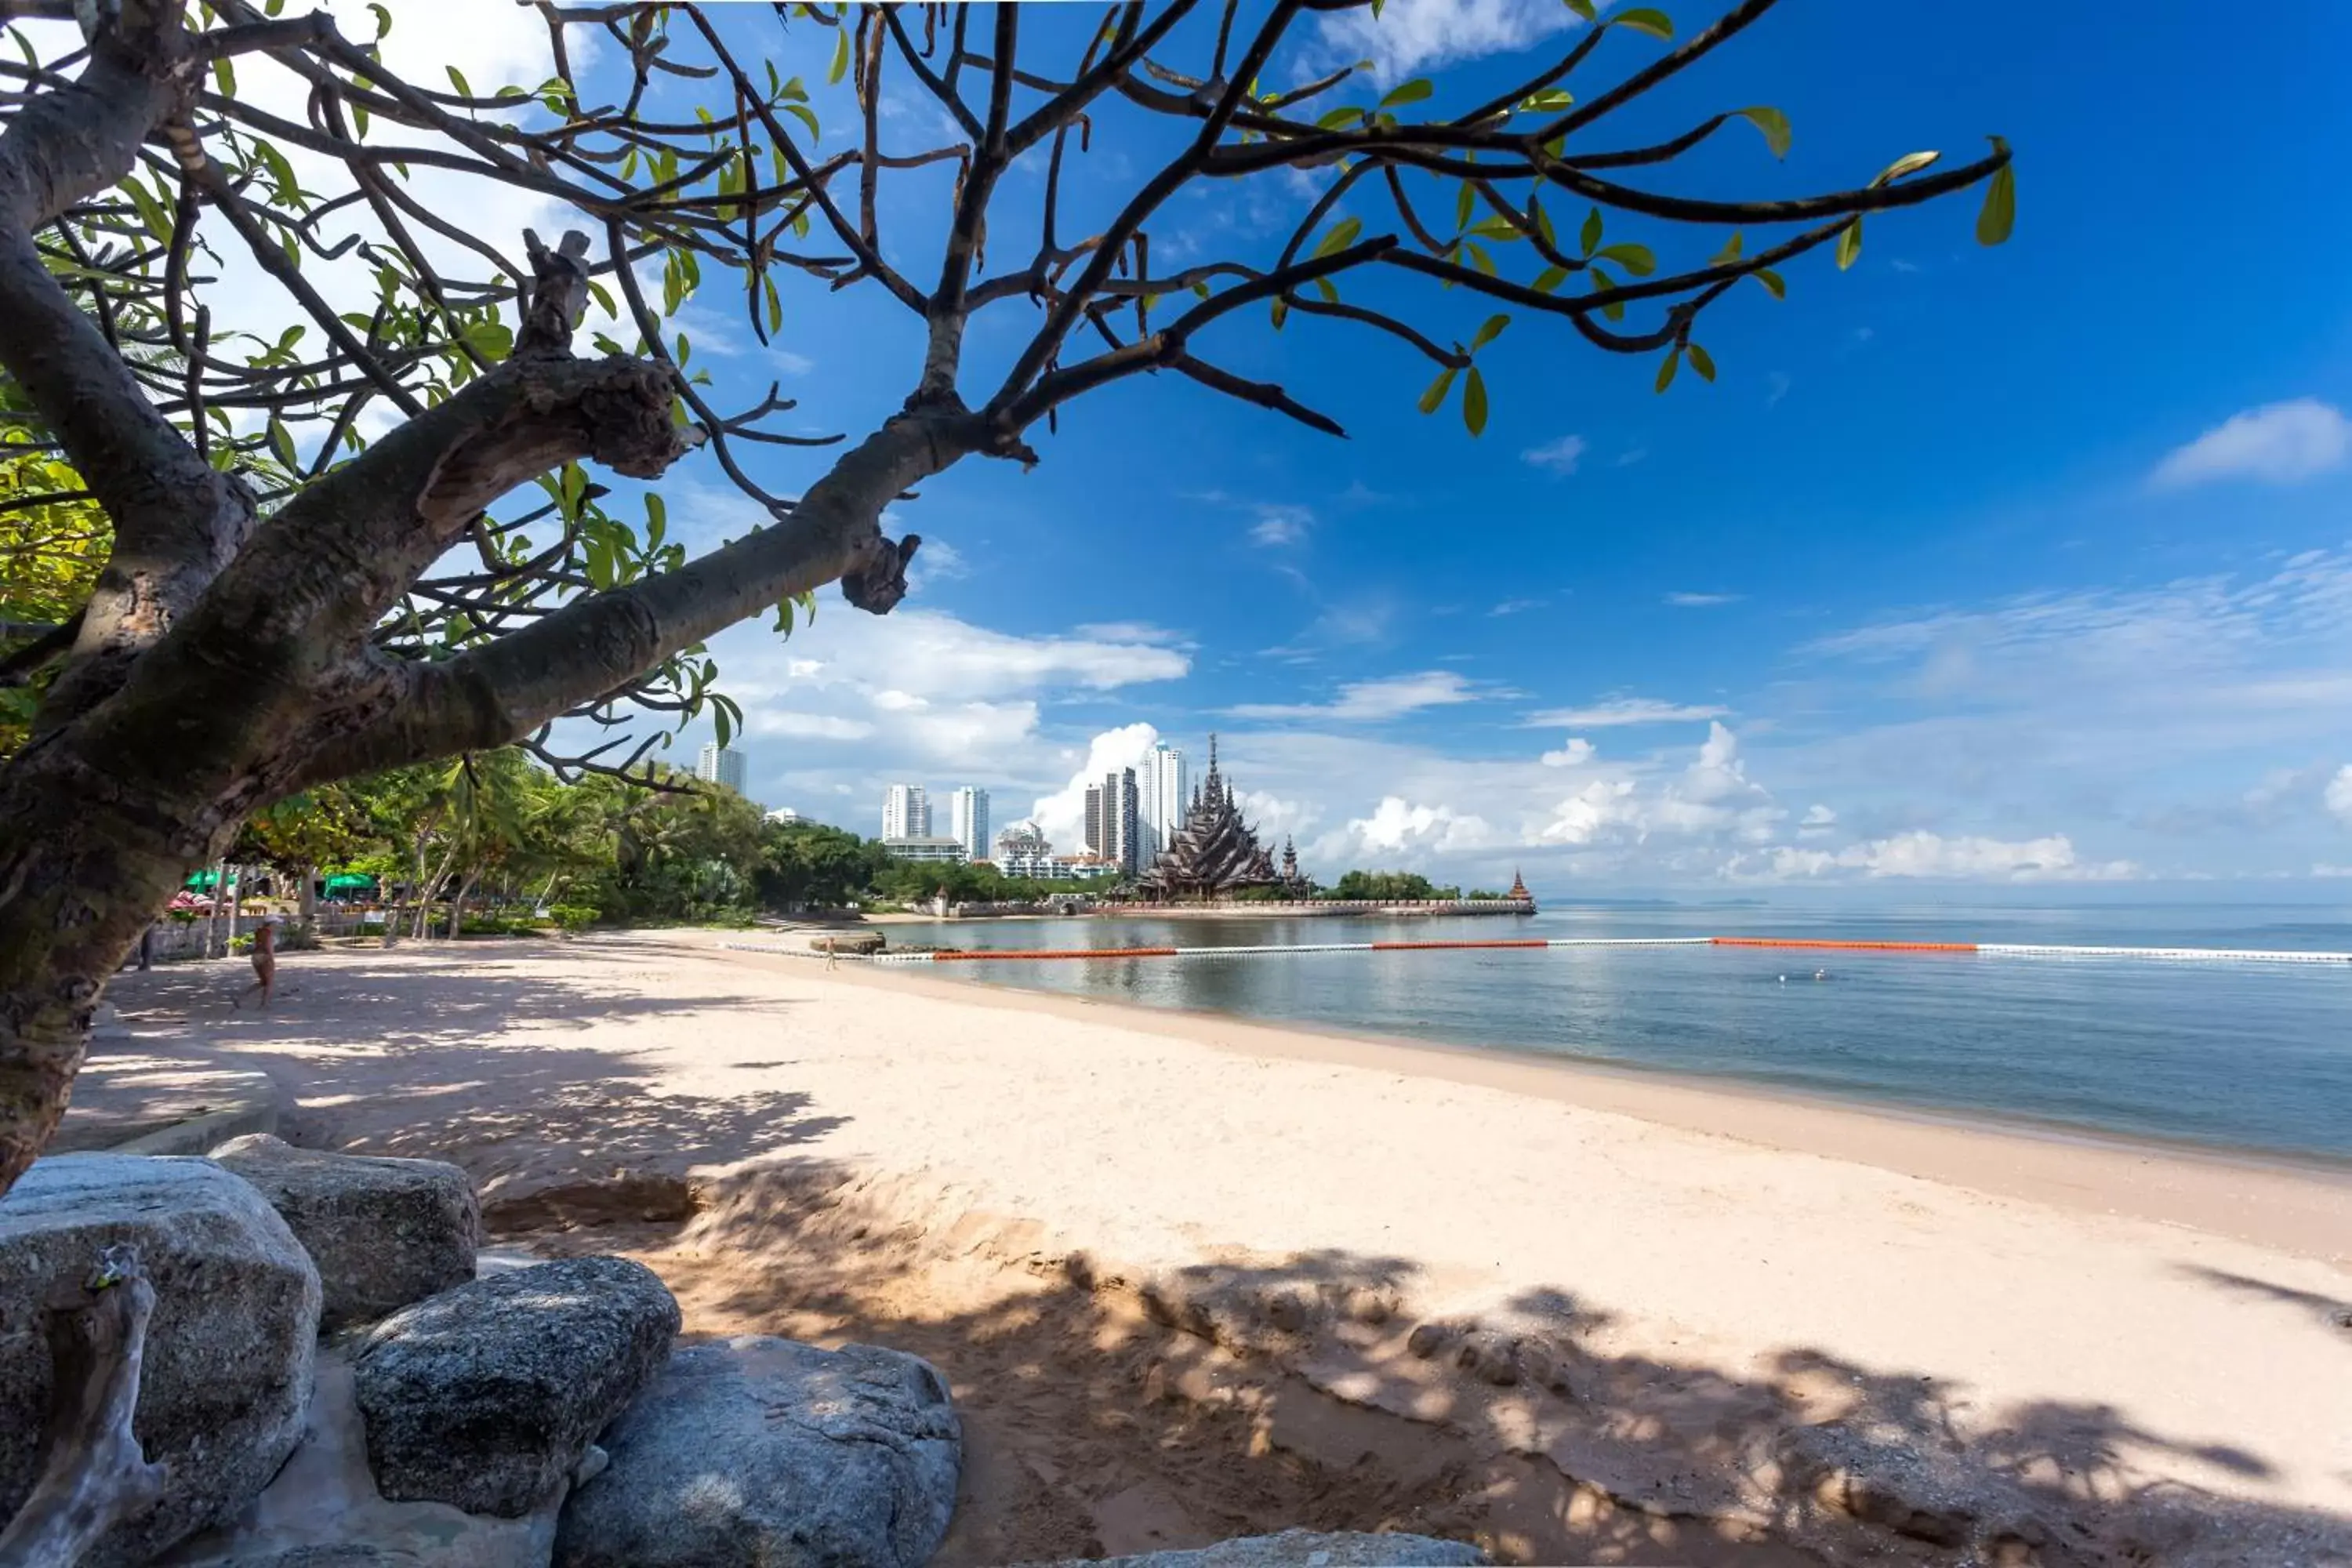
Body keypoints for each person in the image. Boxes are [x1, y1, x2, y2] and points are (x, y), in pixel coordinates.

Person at [233, 916, 281, 1011]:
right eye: (276, 923)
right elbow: (268, 947)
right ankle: (264, 1005)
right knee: (269, 982)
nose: (277, 925)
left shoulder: (259, 932)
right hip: (265, 956)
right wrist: (271, 959)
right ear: (272, 924)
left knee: (263, 982)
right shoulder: (268, 933)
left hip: (256, 955)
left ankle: (242, 996)